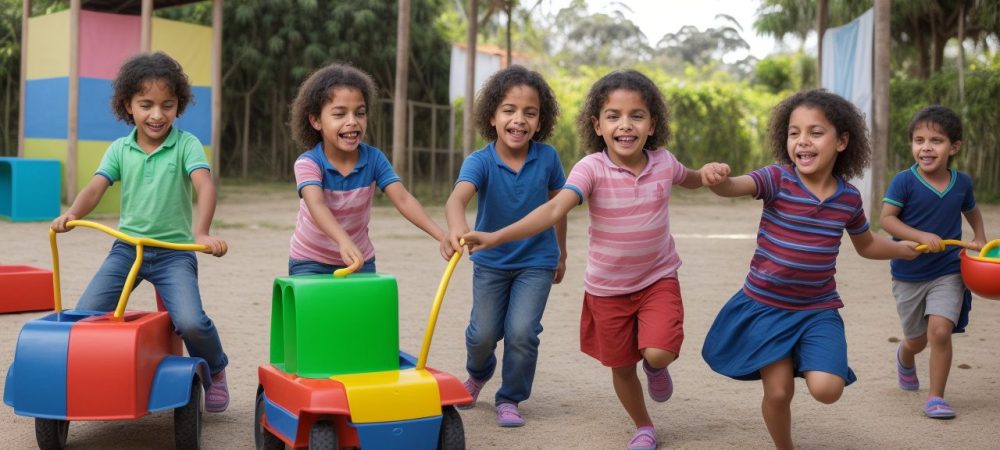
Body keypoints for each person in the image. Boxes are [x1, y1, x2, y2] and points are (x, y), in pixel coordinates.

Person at [460, 69, 729, 449]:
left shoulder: (665, 162)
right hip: (607, 290)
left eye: (637, 116)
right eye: (613, 116)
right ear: (597, 125)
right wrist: (496, 236)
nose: (626, 125)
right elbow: (554, 209)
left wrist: (709, 173)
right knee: (621, 366)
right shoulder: (590, 168)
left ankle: (655, 367)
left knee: (658, 352)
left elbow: (691, 178)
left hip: (658, 278)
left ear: (653, 124)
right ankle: (644, 426)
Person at [700, 89, 921, 449]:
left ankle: (802, 350)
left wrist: (901, 250)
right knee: (778, 392)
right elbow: (734, 186)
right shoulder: (776, 179)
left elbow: (866, 244)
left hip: (817, 310)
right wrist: (718, 179)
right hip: (767, 308)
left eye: (815, 133)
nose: (802, 141)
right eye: (794, 133)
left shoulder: (848, 198)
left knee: (828, 390)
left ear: (842, 141)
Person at [50, 51, 231, 412]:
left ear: (178, 106)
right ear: (128, 106)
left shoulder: (186, 145)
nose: (157, 115)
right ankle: (87, 374)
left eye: (167, 105)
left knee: (190, 322)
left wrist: (202, 232)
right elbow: (96, 188)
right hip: (127, 250)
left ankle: (215, 368)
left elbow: (205, 185)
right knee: (85, 315)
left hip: (174, 253)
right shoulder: (120, 149)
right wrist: (71, 214)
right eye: (146, 105)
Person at [441, 65, 568, 428]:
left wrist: (561, 253)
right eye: (509, 110)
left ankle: (510, 397)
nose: (519, 120)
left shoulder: (548, 158)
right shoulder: (480, 161)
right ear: (492, 117)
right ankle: (478, 373)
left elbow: (558, 207)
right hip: (491, 262)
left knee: (522, 333)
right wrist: (458, 228)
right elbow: (456, 200)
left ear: (540, 121)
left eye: (530, 112)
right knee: (482, 335)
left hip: (537, 262)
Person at [287, 62, 446, 276]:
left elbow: (403, 199)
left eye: (360, 113)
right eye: (339, 114)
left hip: (360, 260)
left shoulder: (374, 159)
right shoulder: (308, 164)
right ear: (316, 121)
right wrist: (343, 241)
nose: (352, 121)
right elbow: (317, 205)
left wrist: (441, 236)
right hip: (310, 261)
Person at [879, 105, 987, 419]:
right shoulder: (904, 181)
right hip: (908, 274)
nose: (926, 147)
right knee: (917, 339)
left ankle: (936, 397)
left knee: (939, 332)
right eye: (919, 140)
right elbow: (887, 219)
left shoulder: (962, 182)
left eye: (936, 141)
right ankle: (905, 355)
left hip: (948, 270)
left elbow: (971, 209)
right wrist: (920, 235)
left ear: (954, 147)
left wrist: (980, 236)